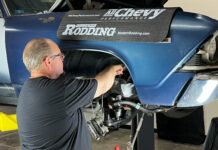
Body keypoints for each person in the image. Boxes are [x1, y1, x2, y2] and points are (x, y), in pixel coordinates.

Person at [16, 38, 123, 150]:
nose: (62, 60)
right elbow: (102, 86)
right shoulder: (59, 90)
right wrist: (112, 68)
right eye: (60, 56)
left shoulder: (29, 88)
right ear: (48, 61)